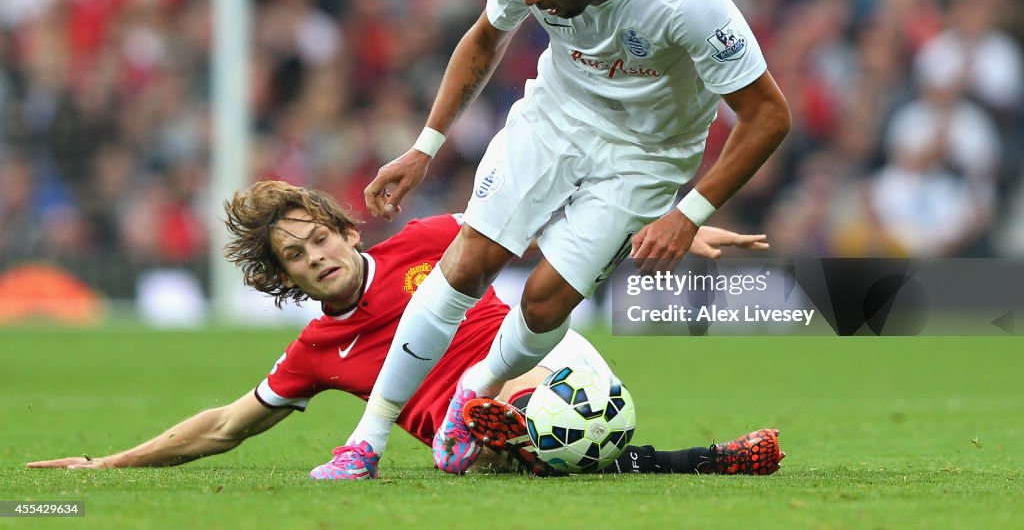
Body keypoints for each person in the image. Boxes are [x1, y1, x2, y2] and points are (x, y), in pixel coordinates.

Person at [327, 0, 790, 479]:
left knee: (544, 304)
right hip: (555, 118)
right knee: (468, 261)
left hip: (647, 155)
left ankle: (480, 386)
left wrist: (688, 212)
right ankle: (365, 442)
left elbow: (768, 115)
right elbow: (485, 38)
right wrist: (424, 147)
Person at [26, 180, 783, 477]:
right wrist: (106, 464)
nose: (315, 256)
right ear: (283, 281)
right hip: (495, 449)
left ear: (347, 233)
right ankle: (706, 458)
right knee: (516, 456)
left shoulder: (428, 242)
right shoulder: (315, 352)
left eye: (319, 237)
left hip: (543, 366)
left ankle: (502, 418)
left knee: (547, 412)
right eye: (295, 256)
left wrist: (677, 225)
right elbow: (226, 425)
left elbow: (551, 221)